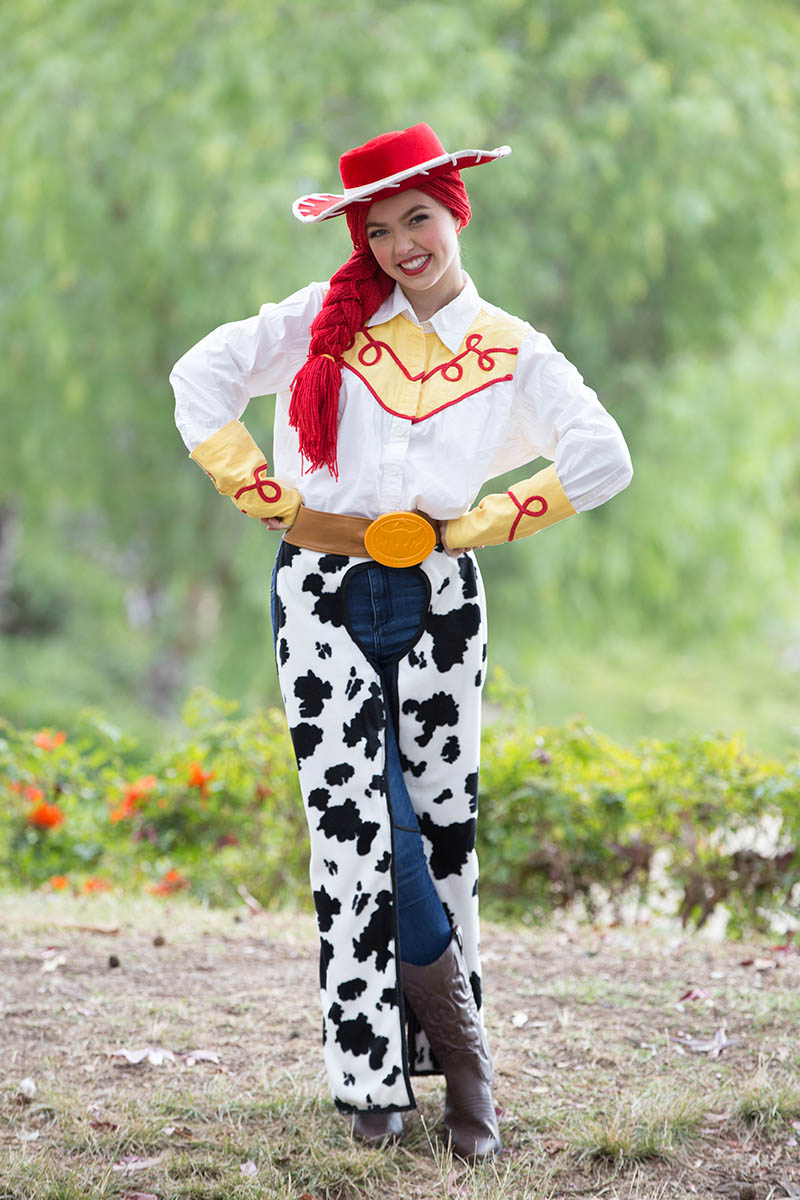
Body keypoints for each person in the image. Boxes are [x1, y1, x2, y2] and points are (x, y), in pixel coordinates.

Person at [170, 123, 632, 1160]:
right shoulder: (319, 321)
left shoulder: (511, 348)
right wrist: (263, 494)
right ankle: (406, 1068)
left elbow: (603, 458)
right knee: (357, 825)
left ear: (454, 214)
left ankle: (430, 1064)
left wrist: (472, 526)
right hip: (318, 586)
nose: (399, 245)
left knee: (441, 826)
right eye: (377, 231)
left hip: (440, 593)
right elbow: (197, 377)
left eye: (416, 219)